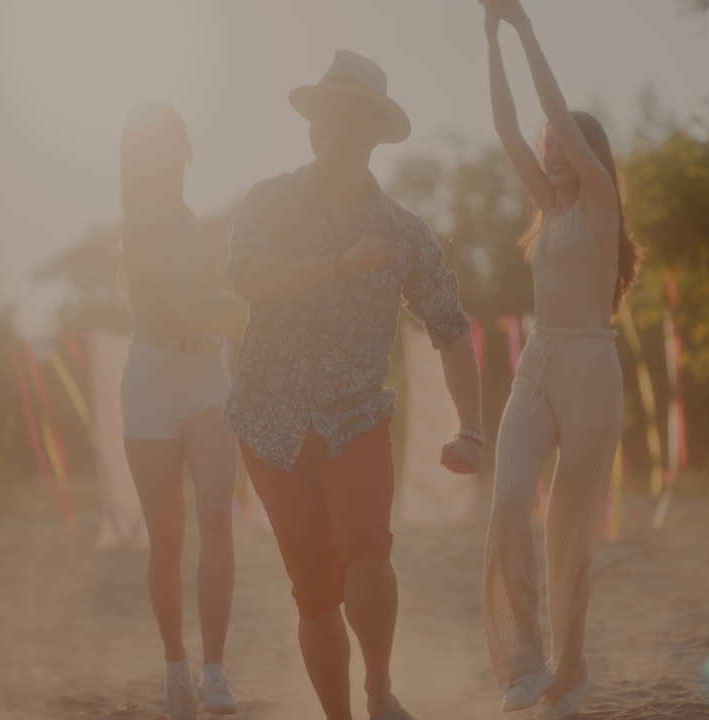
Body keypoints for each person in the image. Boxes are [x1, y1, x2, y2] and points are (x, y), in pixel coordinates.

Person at [226, 50, 483, 720]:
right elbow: (250, 275)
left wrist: (472, 428)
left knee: (369, 551)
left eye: (347, 119)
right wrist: (338, 265)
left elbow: (451, 327)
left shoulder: (404, 232)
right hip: (270, 421)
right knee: (314, 593)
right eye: (324, 117)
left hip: (357, 415)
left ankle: (378, 689)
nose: (331, 130)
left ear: (373, 133)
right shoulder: (270, 200)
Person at [479, 1, 641, 717]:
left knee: (569, 538)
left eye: (563, 139)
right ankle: (523, 663)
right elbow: (508, 126)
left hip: (593, 374)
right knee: (510, 498)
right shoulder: (545, 206)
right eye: (550, 142)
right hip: (539, 362)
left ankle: (569, 674)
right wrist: (490, 37)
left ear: (584, 151)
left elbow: (549, 107)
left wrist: (524, 26)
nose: (549, 145)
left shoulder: (601, 204)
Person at [118, 103, 247, 719]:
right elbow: (193, 303)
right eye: (155, 148)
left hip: (205, 378)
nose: (168, 158)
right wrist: (258, 303)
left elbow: (209, 303)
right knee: (166, 541)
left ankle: (215, 669)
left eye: (175, 146)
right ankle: (176, 664)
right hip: (150, 381)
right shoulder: (140, 225)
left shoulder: (189, 219)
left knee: (217, 516)